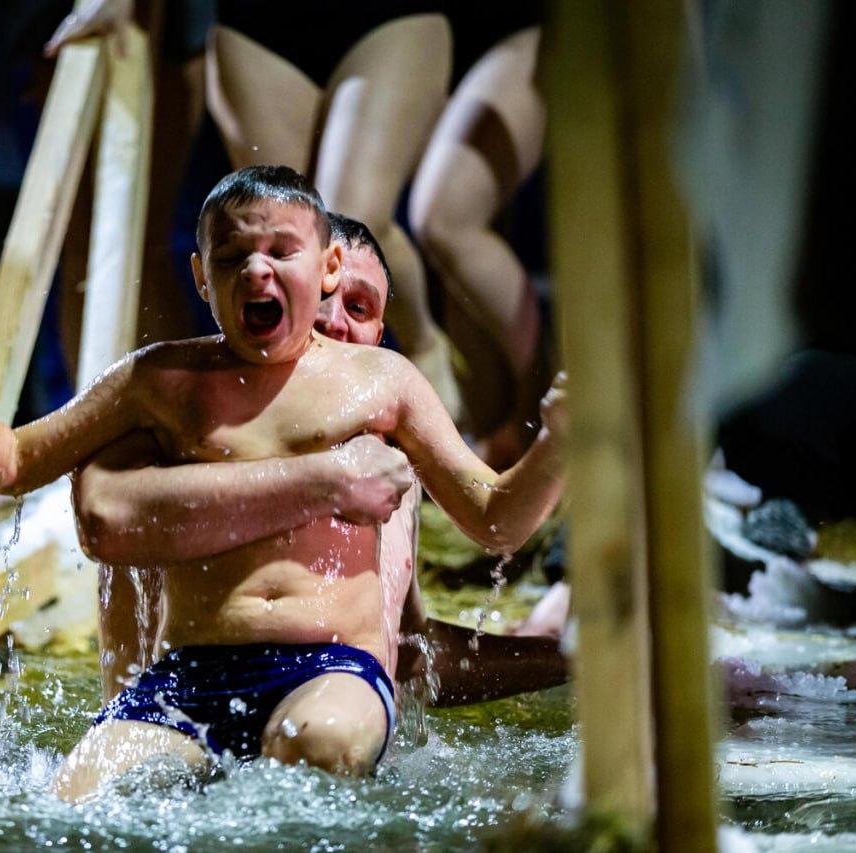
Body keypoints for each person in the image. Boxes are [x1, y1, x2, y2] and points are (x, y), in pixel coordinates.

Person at [0, 166, 566, 800]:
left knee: (317, 746)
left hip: (331, 667)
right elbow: (17, 461)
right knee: (81, 796)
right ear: (202, 278)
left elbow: (496, 517)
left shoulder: (383, 382)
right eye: (233, 258)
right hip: (188, 673)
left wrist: (561, 443)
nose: (257, 270)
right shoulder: (160, 380)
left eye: (281, 251)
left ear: (325, 265)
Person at [73, 212, 567, 707]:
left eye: (359, 308)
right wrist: (328, 480)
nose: (334, 322)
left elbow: (409, 657)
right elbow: (100, 519)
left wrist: (567, 660)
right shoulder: (178, 423)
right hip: (178, 722)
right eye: (321, 296)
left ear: (378, 338)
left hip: (338, 721)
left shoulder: (386, 465)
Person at [45, 0, 463, 418]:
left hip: (390, 19)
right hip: (257, 28)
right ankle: (313, 419)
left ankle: (424, 350)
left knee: (349, 223)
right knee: (287, 242)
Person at [408, 7, 546, 465]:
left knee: (445, 219)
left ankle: (545, 414)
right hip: (433, 26)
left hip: (531, 24)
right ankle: (498, 440)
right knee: (450, 266)